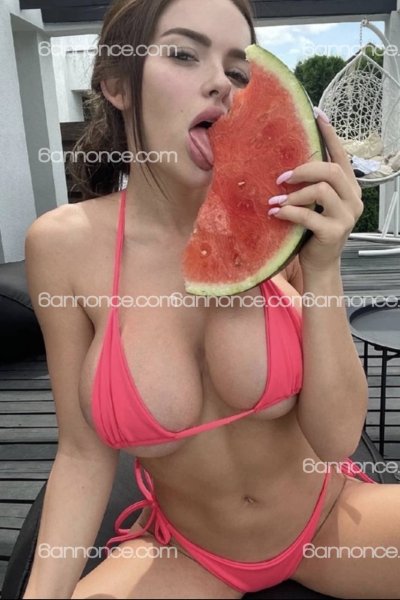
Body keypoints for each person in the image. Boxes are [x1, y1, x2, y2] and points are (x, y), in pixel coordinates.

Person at [23, 0, 400, 598]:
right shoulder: (62, 246)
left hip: (330, 522)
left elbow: (334, 438)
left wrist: (324, 265)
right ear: (117, 84)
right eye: (183, 53)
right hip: (188, 554)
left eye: (238, 69)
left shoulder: (277, 221)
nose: (221, 84)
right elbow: (82, 454)